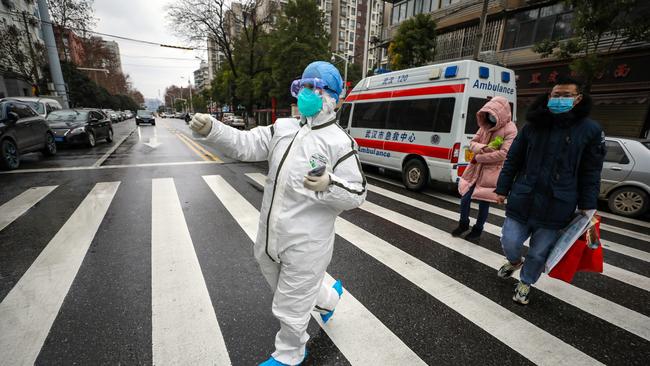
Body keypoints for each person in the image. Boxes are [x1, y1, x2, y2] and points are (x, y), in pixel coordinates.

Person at [189, 61, 366, 365]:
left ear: (332, 98)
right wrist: (213, 130)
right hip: (270, 236)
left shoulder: (340, 143)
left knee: (290, 302)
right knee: (287, 287)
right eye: (303, 87)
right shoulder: (283, 128)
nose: (306, 95)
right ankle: (328, 298)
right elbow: (245, 144)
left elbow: (358, 192)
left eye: (315, 88)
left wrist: (329, 183)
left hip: (308, 242)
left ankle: (290, 354)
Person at [494, 76, 606, 305]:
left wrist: (588, 204)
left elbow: (591, 171)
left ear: (578, 99)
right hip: (523, 197)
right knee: (509, 240)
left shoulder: (590, 131)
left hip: (557, 204)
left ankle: (526, 282)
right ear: (549, 97)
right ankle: (514, 261)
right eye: (556, 95)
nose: (560, 99)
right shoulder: (533, 126)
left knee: (537, 253)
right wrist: (502, 188)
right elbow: (513, 159)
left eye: (566, 96)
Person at [453, 96, 517, 241]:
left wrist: (480, 157)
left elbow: (504, 154)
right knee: (465, 198)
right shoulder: (485, 124)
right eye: (488, 113)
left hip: (492, 172)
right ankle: (463, 224)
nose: (490, 116)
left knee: (484, 203)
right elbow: (473, 143)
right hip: (475, 169)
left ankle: (477, 230)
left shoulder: (510, 129)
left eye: (493, 114)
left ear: (501, 113)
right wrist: (484, 148)